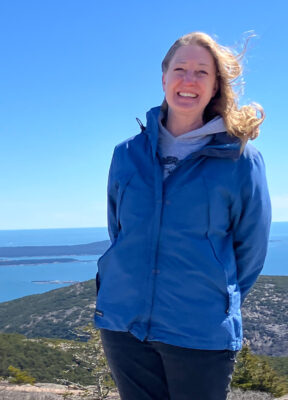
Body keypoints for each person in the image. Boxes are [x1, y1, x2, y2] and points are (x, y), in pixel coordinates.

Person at [94, 32, 271, 400]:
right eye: (180, 69)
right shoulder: (126, 154)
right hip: (124, 325)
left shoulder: (240, 158)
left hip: (199, 331)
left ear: (215, 86)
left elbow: (250, 251)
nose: (188, 80)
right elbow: (121, 233)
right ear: (164, 78)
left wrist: (215, 298)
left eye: (201, 72)